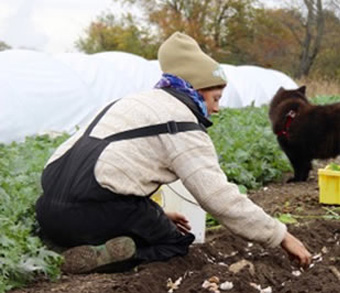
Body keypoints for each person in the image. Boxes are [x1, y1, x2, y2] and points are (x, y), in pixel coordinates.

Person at [36, 31, 312, 274]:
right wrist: (282, 235)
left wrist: (156, 212)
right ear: (196, 89)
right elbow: (219, 198)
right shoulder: (182, 125)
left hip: (49, 212)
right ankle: (110, 255)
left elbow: (107, 171)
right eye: (215, 98)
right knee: (174, 241)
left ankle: (78, 245)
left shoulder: (130, 101)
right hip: (94, 213)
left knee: (144, 218)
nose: (217, 109)